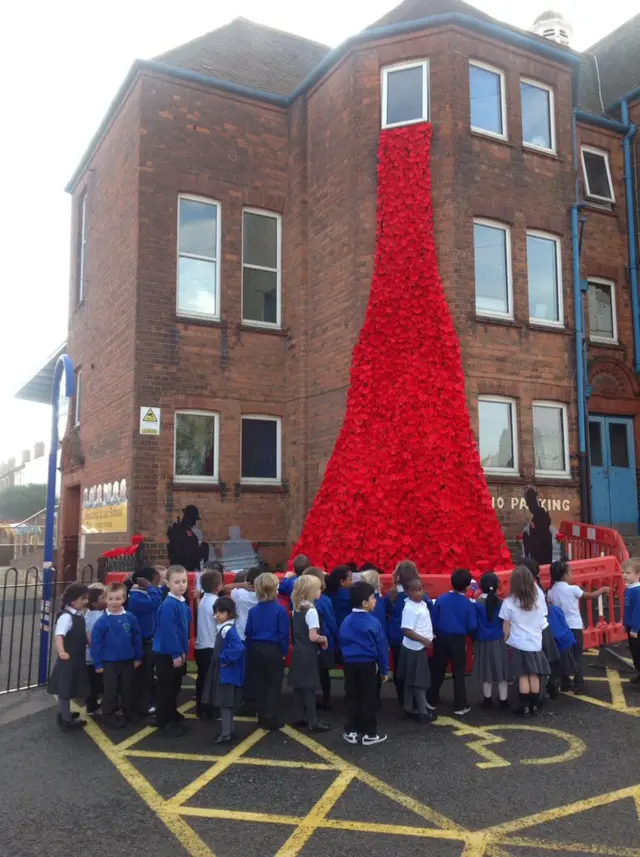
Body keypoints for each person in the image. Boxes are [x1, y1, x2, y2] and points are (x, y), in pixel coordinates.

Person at [339, 581, 390, 745]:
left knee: (352, 696)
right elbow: (382, 647)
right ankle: (370, 733)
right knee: (369, 698)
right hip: (368, 664)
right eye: (373, 598)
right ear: (365, 602)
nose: (375, 601)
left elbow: (342, 640)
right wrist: (384, 670)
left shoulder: (346, 620)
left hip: (350, 664)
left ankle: (352, 730)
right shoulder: (373, 622)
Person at [548, 559, 610, 693]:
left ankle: (565, 683)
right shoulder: (573, 589)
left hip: (561, 628)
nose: (572, 576)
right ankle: (579, 684)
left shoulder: (551, 591)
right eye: (571, 573)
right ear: (565, 576)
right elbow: (590, 595)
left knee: (564, 655)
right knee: (577, 656)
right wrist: (603, 589)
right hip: (574, 626)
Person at [90, 582, 143, 728]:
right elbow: (96, 643)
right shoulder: (102, 621)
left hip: (128, 661)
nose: (114, 602)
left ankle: (129, 712)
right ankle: (108, 715)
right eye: (111, 599)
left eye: (118, 599)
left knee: (128, 688)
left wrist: (138, 657)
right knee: (110, 690)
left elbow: (137, 637)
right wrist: (98, 663)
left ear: (124, 598)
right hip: (109, 662)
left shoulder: (130, 617)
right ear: (105, 599)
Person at [499, 566, 550, 716]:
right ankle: (535, 705)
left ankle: (524, 706)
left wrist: (506, 639)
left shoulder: (509, 602)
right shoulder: (537, 600)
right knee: (534, 674)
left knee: (522, 675)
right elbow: (543, 620)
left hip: (518, 642)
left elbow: (506, 624)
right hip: (535, 642)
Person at [428, 569, 477, 716]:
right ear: (467, 586)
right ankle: (460, 704)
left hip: (441, 637)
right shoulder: (467, 603)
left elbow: (433, 619)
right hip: (458, 640)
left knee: (438, 669)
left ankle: (430, 699)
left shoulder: (442, 599)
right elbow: (472, 626)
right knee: (459, 672)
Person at [385, 560, 433, 708]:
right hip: (414, 639)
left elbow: (387, 610)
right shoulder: (418, 595)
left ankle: (403, 701)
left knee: (401, 670)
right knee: (416, 672)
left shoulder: (392, 595)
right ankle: (415, 703)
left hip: (395, 637)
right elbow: (430, 607)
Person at [244, 573, 290, 729]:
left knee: (260, 683)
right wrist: (283, 653)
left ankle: (262, 715)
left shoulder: (253, 610)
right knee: (273, 684)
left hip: (255, 648)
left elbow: (248, 632)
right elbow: (284, 634)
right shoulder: (280, 610)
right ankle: (271, 717)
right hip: (273, 649)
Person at [152, 565, 192, 737]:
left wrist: (183, 651)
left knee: (175, 687)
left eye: (184, 581)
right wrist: (176, 653)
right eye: (177, 582)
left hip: (176, 652)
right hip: (166, 654)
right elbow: (170, 632)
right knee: (166, 688)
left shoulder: (180, 602)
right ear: (167, 583)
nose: (181, 585)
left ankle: (171, 714)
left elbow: (183, 629)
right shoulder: (169, 605)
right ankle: (165, 721)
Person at [288, 575, 331, 732]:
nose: (320, 591)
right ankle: (313, 721)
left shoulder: (296, 609)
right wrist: (323, 639)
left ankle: (299, 716)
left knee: (299, 686)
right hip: (309, 652)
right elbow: (313, 636)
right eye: (318, 588)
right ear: (311, 592)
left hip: (298, 651)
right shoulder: (311, 611)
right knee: (310, 687)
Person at [202, 596, 246, 744]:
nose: (217, 615)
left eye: (221, 612)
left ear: (229, 613)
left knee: (224, 702)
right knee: (227, 702)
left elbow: (238, 648)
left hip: (225, 672)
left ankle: (226, 733)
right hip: (225, 671)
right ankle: (229, 730)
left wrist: (224, 659)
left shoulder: (226, 629)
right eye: (216, 612)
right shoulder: (226, 628)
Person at [48, 582, 90, 729]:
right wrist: (61, 651)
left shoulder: (78, 615)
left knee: (70, 686)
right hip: (68, 660)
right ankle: (66, 719)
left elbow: (84, 635)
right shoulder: (66, 618)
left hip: (76, 659)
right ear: (74, 600)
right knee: (64, 690)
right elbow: (59, 635)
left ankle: (65, 713)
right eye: (83, 598)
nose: (86, 601)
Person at [519, 557, 557, 701]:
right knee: (538, 667)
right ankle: (540, 695)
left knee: (536, 668)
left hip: (536, 632)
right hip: (539, 630)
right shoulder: (535, 588)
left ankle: (539, 697)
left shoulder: (531, 590)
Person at [398, 578, 436, 724]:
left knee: (411, 679)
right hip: (415, 648)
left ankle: (409, 708)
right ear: (407, 592)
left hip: (418, 647)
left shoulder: (422, 604)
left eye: (421, 589)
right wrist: (424, 640)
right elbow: (406, 630)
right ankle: (422, 712)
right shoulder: (409, 608)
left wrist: (429, 634)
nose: (419, 593)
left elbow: (423, 623)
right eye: (414, 590)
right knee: (419, 681)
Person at [127, 566, 163, 716]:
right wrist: (150, 587)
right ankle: (141, 705)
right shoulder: (136, 598)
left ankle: (146, 701)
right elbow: (156, 603)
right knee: (143, 675)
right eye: (155, 582)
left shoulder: (146, 593)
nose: (157, 586)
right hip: (141, 642)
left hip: (149, 640)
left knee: (148, 674)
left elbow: (160, 594)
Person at [303, 568, 339, 710]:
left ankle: (311, 701)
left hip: (307, 642)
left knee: (311, 673)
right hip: (323, 640)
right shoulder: (324, 601)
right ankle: (326, 699)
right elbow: (331, 622)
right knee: (323, 673)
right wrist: (337, 639)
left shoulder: (300, 601)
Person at [473, 572, 509, 710]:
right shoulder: (502, 603)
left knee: (486, 673)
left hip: (483, 642)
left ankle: (487, 701)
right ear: (497, 585)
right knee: (502, 673)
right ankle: (503, 701)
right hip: (499, 641)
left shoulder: (477, 604)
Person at [195, 569, 224, 718]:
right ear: (219, 586)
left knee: (202, 678)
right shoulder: (216, 603)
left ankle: (201, 707)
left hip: (201, 646)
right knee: (211, 681)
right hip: (211, 646)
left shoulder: (204, 600)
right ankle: (209, 709)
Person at [223, 566, 260, 640]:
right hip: (257, 634)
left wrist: (242, 585)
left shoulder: (239, 593)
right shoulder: (263, 595)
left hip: (241, 633)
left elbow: (225, 588)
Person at [85, 587, 106, 714]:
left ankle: (91, 705)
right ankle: (98, 705)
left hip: (89, 657)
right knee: (100, 683)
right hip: (98, 656)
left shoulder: (88, 615)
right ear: (94, 603)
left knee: (92, 682)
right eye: (103, 598)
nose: (106, 600)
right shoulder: (98, 618)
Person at [167, 504, 206, 571]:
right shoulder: (181, 531)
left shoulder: (183, 530)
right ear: (190, 518)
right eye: (194, 519)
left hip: (185, 568)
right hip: (184, 568)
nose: (195, 522)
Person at [622, 557, 640, 685]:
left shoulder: (637, 591)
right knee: (635, 653)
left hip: (637, 628)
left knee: (638, 654)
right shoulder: (629, 589)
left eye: (628, 573)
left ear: (638, 575)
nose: (624, 575)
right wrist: (625, 623)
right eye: (624, 572)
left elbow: (638, 611)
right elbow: (627, 609)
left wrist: (634, 628)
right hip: (631, 627)